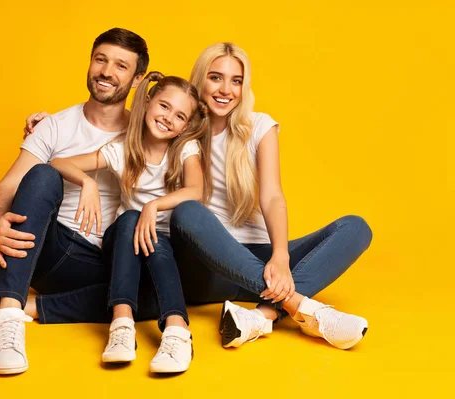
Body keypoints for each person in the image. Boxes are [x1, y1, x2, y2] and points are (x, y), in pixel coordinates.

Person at [26, 43, 373, 351]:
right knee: (188, 213)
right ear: (199, 83)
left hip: (258, 261)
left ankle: (262, 316)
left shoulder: (259, 126)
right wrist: (49, 123)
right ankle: (303, 306)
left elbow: (272, 197)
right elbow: (132, 125)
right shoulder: (182, 131)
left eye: (236, 80)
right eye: (215, 78)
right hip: (202, 262)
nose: (225, 90)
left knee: (355, 228)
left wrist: (280, 256)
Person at [0, 28, 159, 375]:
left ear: (137, 79)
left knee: (157, 294)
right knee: (44, 174)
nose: (107, 71)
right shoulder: (56, 126)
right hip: (49, 248)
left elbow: (192, 125)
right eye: (100, 60)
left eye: (121, 66)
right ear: (90, 63)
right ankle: (8, 322)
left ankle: (10, 304)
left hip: (105, 264)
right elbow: (6, 188)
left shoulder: (148, 131)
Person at [51, 71, 210, 373]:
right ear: (148, 101)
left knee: (157, 244)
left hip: (163, 255)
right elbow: (58, 163)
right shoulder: (122, 149)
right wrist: (86, 182)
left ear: (185, 126)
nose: (168, 118)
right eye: (164, 106)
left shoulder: (185, 149)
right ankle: (122, 326)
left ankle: (177, 334)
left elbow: (196, 191)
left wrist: (155, 204)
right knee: (129, 219)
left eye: (179, 116)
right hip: (123, 246)